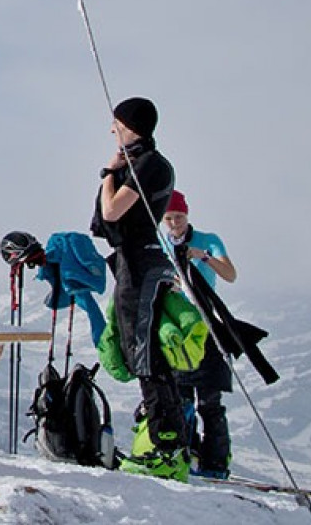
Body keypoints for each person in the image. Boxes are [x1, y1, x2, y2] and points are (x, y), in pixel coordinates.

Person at [88, 96, 185, 480]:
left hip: (140, 262)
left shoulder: (148, 164)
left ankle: (166, 446)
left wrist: (108, 172)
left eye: (116, 123)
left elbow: (111, 212)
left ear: (129, 124)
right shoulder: (145, 163)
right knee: (140, 349)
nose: (112, 130)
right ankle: (167, 442)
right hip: (136, 260)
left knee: (144, 352)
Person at [162, 191, 235, 479]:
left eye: (178, 217)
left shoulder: (208, 240)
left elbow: (230, 274)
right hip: (178, 327)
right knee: (180, 398)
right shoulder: (161, 243)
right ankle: (185, 453)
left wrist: (202, 257)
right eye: (168, 218)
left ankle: (215, 463)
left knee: (210, 401)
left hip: (206, 325)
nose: (174, 223)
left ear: (187, 215)